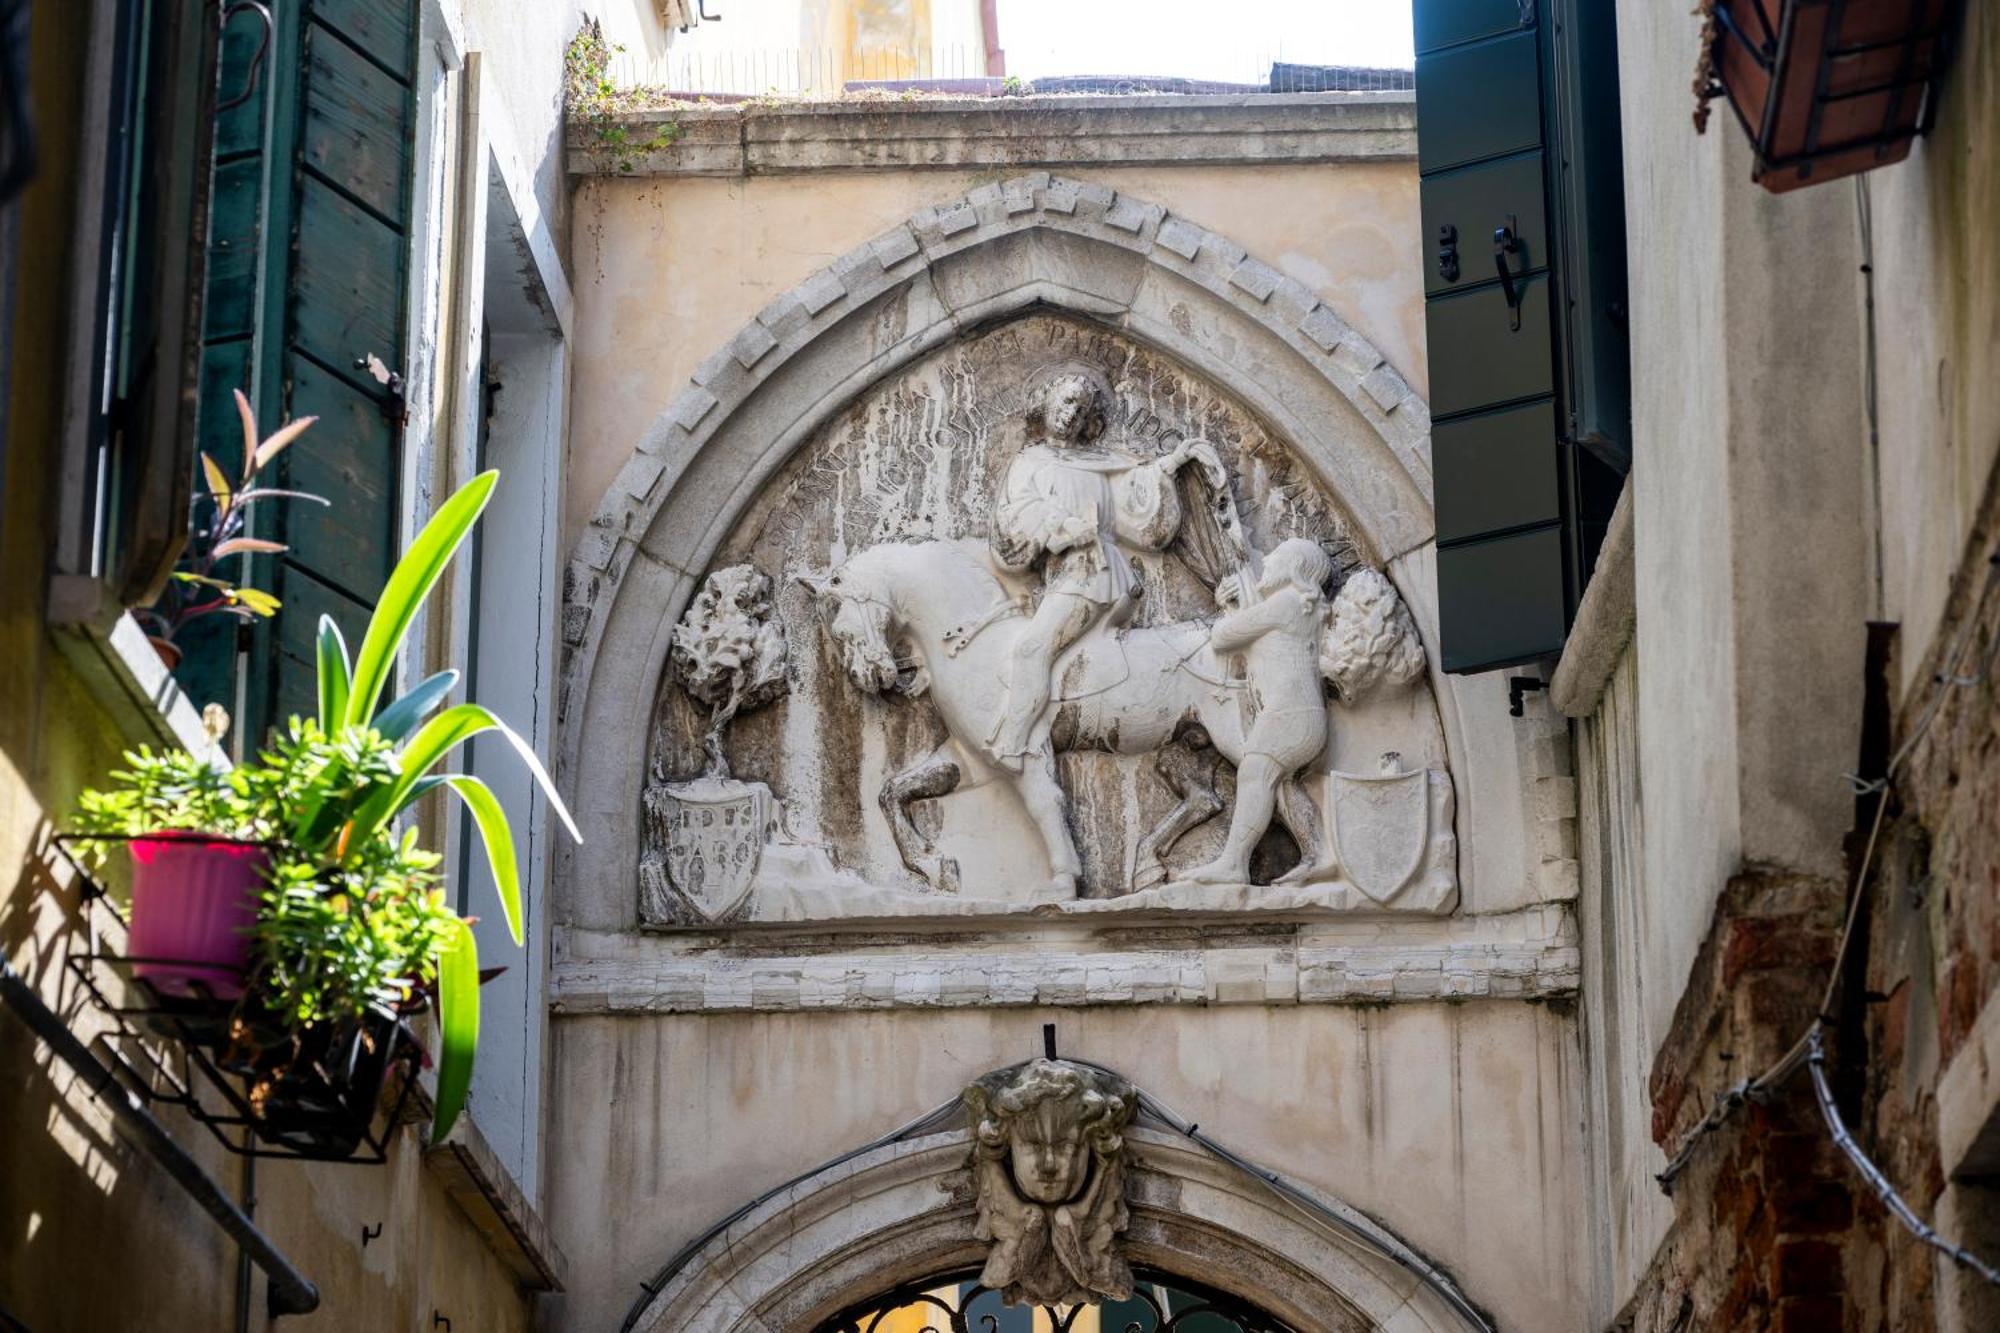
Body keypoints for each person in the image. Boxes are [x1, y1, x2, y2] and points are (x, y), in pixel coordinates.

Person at [988, 370, 1217, 768]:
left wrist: (1168, 466)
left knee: (1029, 650)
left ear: (1088, 419)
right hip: (1074, 574)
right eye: (1065, 401)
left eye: (1080, 407)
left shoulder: (1102, 464)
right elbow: (1017, 517)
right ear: (1047, 405)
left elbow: (1135, 508)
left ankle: (1014, 744)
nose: (1071, 412)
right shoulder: (1030, 461)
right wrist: (1060, 526)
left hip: (1092, 574)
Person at [1183, 537, 1333, 885]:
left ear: (1293, 569)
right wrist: (1236, 607)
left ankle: (1234, 863)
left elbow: (1223, 638)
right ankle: (1321, 854)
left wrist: (1227, 610)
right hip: (1300, 716)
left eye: (1275, 559)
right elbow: (1258, 645)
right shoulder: (1299, 606)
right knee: (1279, 780)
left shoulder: (1286, 603)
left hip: (1289, 715)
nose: (1266, 562)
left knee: (1254, 775)